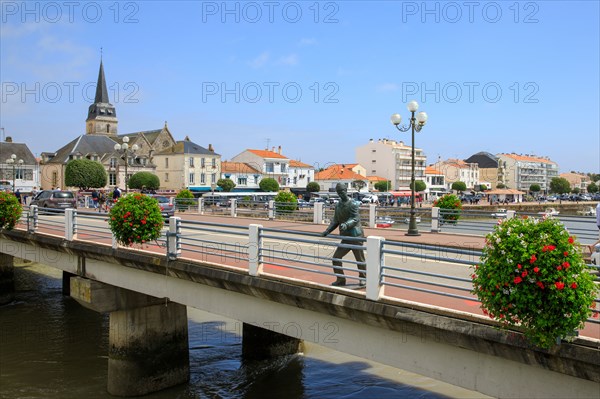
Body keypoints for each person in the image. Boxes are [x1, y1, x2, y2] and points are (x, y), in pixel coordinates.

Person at [321, 183, 366, 287]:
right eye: (338, 192)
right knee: (336, 258)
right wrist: (327, 231)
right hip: (345, 237)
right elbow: (335, 221)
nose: (340, 194)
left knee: (359, 259)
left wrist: (347, 224)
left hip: (356, 236)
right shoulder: (338, 205)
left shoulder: (353, 204)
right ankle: (340, 279)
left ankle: (363, 278)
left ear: (346, 191)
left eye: (342, 192)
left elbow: (355, 219)